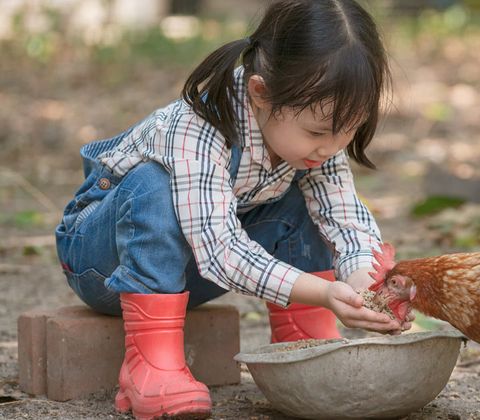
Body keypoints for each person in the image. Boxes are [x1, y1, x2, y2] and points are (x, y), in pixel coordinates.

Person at [54, 1, 411, 418]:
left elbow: (344, 216)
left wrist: (364, 284)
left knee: (307, 196)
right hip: (104, 264)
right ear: (260, 93)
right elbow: (220, 249)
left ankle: (306, 341)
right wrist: (325, 293)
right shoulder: (197, 126)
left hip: (192, 273)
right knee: (153, 183)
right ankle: (151, 365)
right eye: (318, 131)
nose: (332, 147)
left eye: (348, 130)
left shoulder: (313, 140)